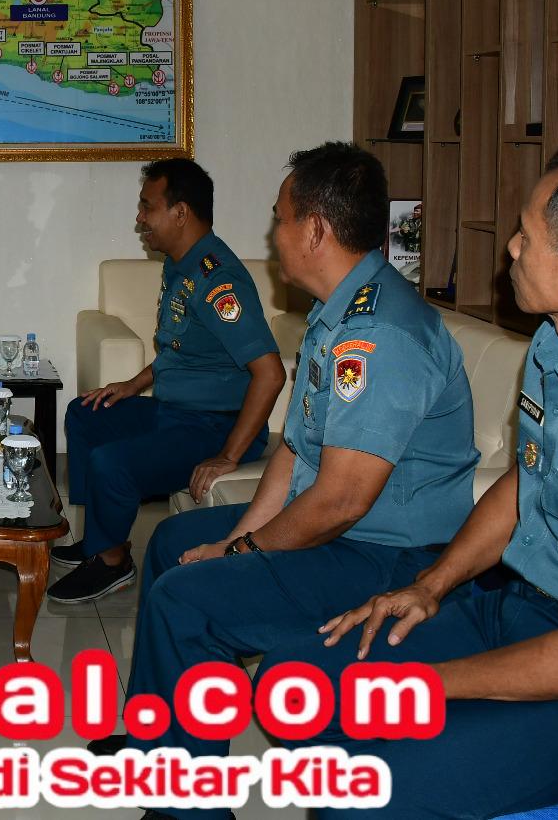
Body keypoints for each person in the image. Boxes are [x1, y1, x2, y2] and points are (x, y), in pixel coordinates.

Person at [277, 144, 558, 818]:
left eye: (526, 235)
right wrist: (430, 585)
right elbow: (527, 483)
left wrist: (426, 685)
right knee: (300, 686)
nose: (511, 249)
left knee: (368, 786)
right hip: (526, 610)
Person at [91, 142, 480, 785]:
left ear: (316, 230)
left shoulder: (379, 335)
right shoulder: (335, 314)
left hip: (387, 554)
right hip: (341, 530)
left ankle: (186, 800)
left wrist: (241, 551)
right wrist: (236, 538)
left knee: (187, 601)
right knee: (171, 542)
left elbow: (342, 502)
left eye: (281, 219)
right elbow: (297, 449)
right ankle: (159, 737)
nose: (273, 236)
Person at [50, 159, 286, 603]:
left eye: (147, 206)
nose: (140, 218)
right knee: (85, 413)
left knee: (112, 462)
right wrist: (132, 384)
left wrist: (228, 455)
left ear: (180, 213)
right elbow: (180, 349)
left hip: (216, 425)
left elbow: (270, 373)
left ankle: (112, 563)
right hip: (176, 412)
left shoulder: (219, 281)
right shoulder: (181, 265)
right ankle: (102, 538)